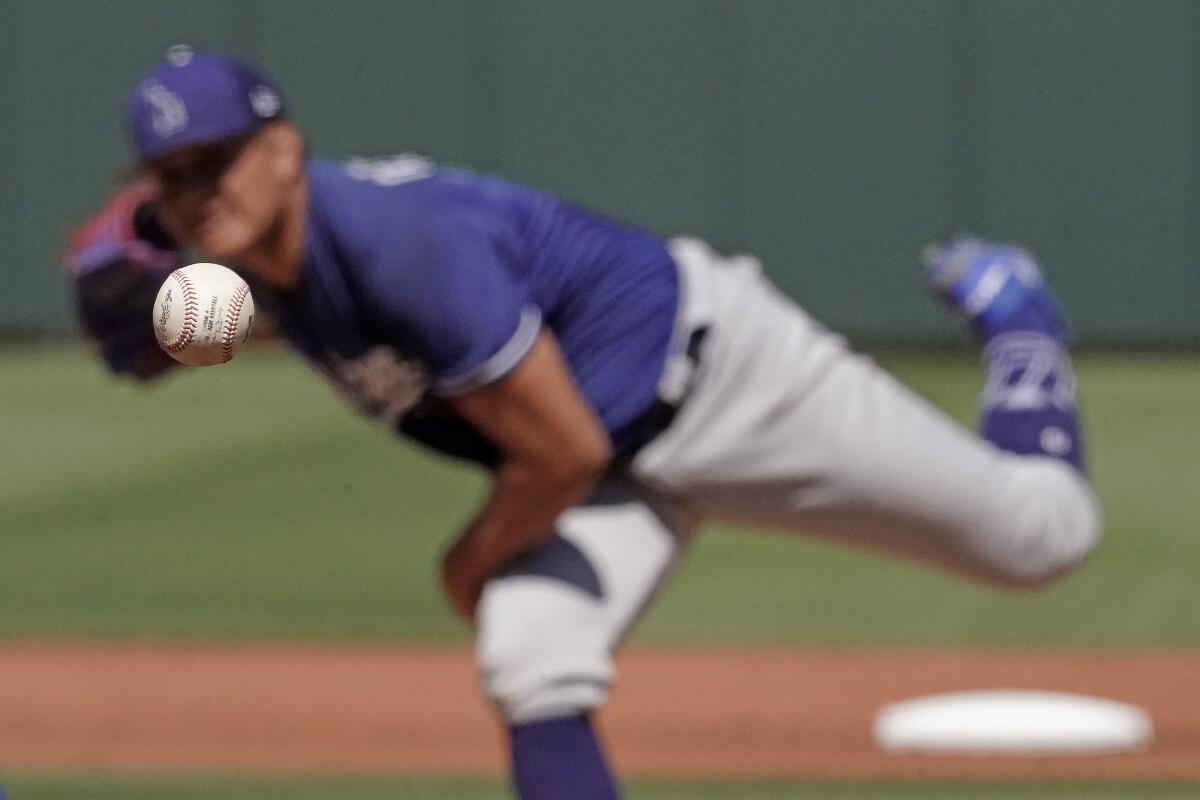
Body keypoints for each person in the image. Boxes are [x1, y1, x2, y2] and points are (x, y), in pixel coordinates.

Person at [65, 47, 1100, 799]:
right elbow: (255, 327)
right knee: (531, 653)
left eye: (217, 161)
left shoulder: (406, 251)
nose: (196, 192)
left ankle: (1019, 319)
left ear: (284, 150)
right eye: (172, 175)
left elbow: (561, 450)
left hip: (726, 384)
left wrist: (469, 558)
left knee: (1041, 537)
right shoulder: (268, 266)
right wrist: (166, 325)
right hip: (614, 458)